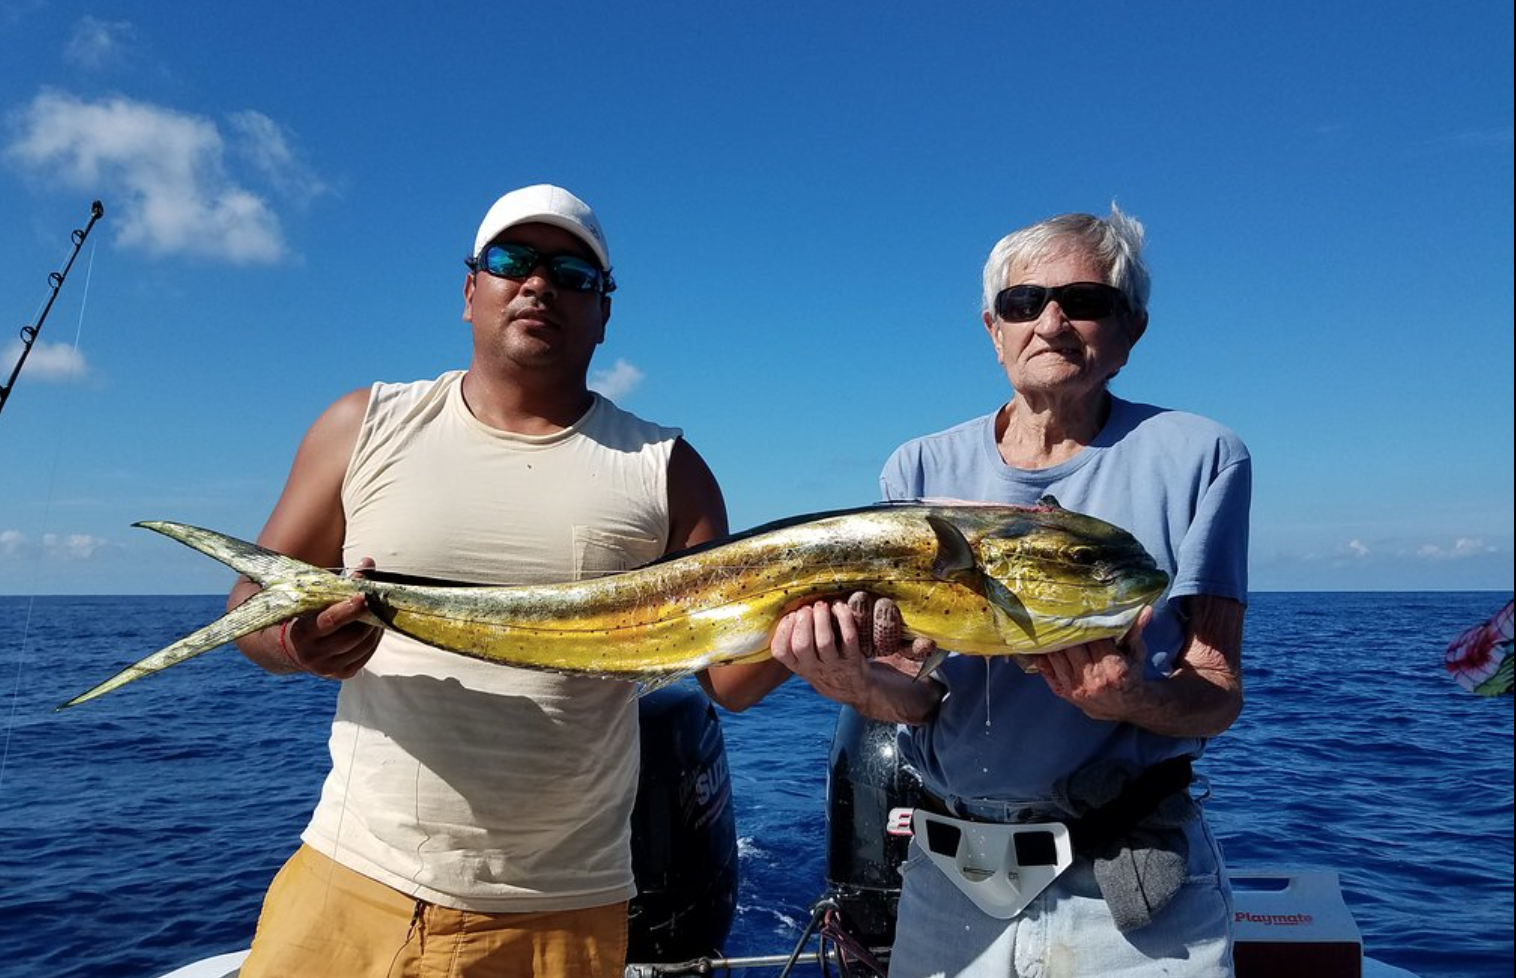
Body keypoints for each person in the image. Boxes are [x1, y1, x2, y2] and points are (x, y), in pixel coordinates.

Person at [227, 184, 760, 977]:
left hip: (564, 911)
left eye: (575, 274)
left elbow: (727, 676)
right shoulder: (363, 425)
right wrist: (297, 641)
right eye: (514, 261)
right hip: (352, 881)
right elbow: (247, 611)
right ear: (471, 289)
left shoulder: (670, 472)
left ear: (605, 311)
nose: (540, 283)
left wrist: (830, 636)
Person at [769, 205, 1251, 976]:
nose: (1053, 322)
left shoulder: (1202, 456)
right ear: (994, 329)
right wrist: (855, 681)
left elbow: (1218, 689)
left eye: (1086, 302)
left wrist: (1130, 698)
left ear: (1131, 332)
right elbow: (913, 694)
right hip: (949, 883)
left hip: (1128, 886)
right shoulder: (918, 470)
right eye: (1026, 303)